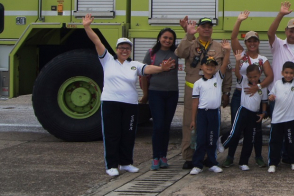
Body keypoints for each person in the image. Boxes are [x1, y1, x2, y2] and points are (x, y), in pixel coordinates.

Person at [82, 14, 175, 177]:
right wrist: (87, 27)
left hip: (130, 104)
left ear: (130, 50)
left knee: (128, 134)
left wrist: (161, 69)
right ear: (116, 49)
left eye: (127, 48)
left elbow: (148, 69)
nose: (124, 51)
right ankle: (111, 165)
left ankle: (126, 163)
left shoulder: (134, 65)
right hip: (111, 103)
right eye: (121, 48)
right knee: (112, 134)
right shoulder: (107, 60)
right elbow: (97, 41)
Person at [176, 17, 228, 169]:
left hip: (212, 92)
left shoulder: (219, 47)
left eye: (209, 26)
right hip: (192, 90)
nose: (206, 29)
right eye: (203, 26)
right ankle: (189, 157)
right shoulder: (190, 43)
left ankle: (208, 157)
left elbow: (227, 70)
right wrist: (188, 35)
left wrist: (225, 92)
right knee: (189, 124)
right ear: (198, 28)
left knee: (210, 126)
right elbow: (179, 53)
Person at [227, 11, 274, 168]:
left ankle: (258, 156)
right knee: (236, 126)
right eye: (249, 41)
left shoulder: (263, 59)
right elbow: (233, 38)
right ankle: (230, 156)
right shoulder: (241, 54)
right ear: (246, 43)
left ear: (258, 42)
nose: (252, 44)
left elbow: (270, 76)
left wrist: (258, 87)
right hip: (239, 95)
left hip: (255, 97)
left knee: (256, 127)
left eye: (254, 41)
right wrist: (239, 20)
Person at [140, 28, 179, 171]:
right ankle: (155, 157)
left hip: (172, 94)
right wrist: (145, 95)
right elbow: (143, 74)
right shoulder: (151, 53)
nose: (167, 40)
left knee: (166, 126)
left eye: (170, 39)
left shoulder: (176, 53)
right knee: (158, 126)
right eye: (165, 37)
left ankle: (164, 155)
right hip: (156, 93)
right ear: (159, 38)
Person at [221, 60, 268, 171]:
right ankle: (221, 143)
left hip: (254, 114)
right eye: (250, 77)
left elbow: (264, 101)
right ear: (247, 76)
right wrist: (237, 61)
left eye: (255, 76)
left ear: (260, 74)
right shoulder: (244, 81)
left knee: (250, 138)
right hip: (243, 111)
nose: (252, 79)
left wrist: (263, 113)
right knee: (235, 132)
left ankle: (244, 162)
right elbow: (237, 72)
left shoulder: (263, 86)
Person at [189, 53, 231, 175]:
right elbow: (195, 102)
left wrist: (227, 51)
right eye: (207, 65)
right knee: (201, 139)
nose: (210, 67)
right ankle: (197, 164)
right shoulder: (198, 83)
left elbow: (224, 65)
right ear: (201, 66)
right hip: (202, 114)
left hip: (214, 113)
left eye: (213, 65)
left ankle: (212, 163)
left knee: (212, 139)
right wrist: (193, 119)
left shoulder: (218, 78)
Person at [267, 52, 294, 173]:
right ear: (282, 73)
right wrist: (271, 97)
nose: (289, 75)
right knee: (275, 142)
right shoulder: (277, 83)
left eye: (291, 73)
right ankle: (273, 163)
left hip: (290, 118)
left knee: (291, 141)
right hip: (277, 119)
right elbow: (271, 94)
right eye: (286, 73)